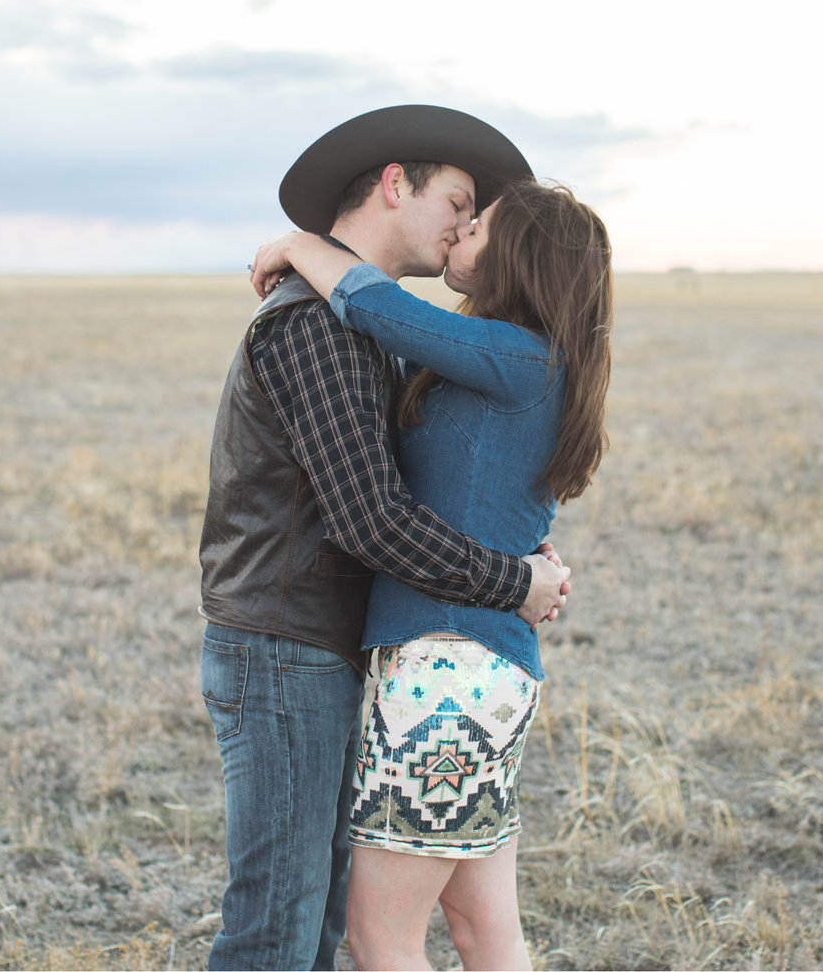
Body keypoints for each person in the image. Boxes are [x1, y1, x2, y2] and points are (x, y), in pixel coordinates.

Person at [198, 105, 569, 971]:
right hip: (283, 642)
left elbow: (446, 475)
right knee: (279, 931)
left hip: (325, 647)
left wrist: (525, 550)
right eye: (457, 200)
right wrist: (512, 583)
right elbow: (373, 519)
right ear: (396, 185)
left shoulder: (371, 326)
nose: (462, 226)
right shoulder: (318, 324)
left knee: (313, 921)